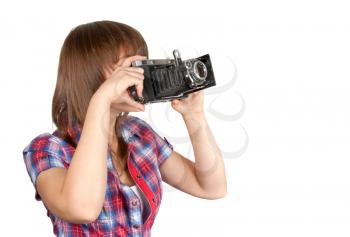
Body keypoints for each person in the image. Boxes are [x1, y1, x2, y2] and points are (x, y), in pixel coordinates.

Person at [22, 20, 227, 237]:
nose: (140, 75)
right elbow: (82, 209)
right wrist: (102, 99)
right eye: (128, 66)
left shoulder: (138, 134)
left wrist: (194, 116)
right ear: (88, 72)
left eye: (141, 64)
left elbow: (212, 187)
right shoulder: (47, 149)